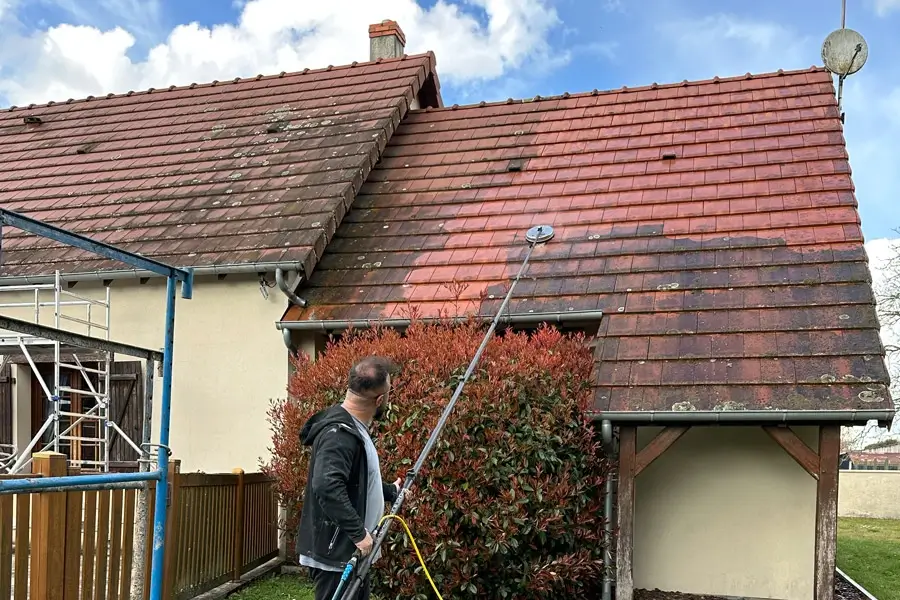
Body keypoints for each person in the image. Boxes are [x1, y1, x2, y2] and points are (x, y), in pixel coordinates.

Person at [296, 356, 409, 600]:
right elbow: (326, 485)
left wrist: (389, 491)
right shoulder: (339, 433)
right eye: (388, 393)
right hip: (339, 553)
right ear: (379, 399)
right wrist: (359, 534)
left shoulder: (352, 426)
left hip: (352, 550)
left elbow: (354, 481)